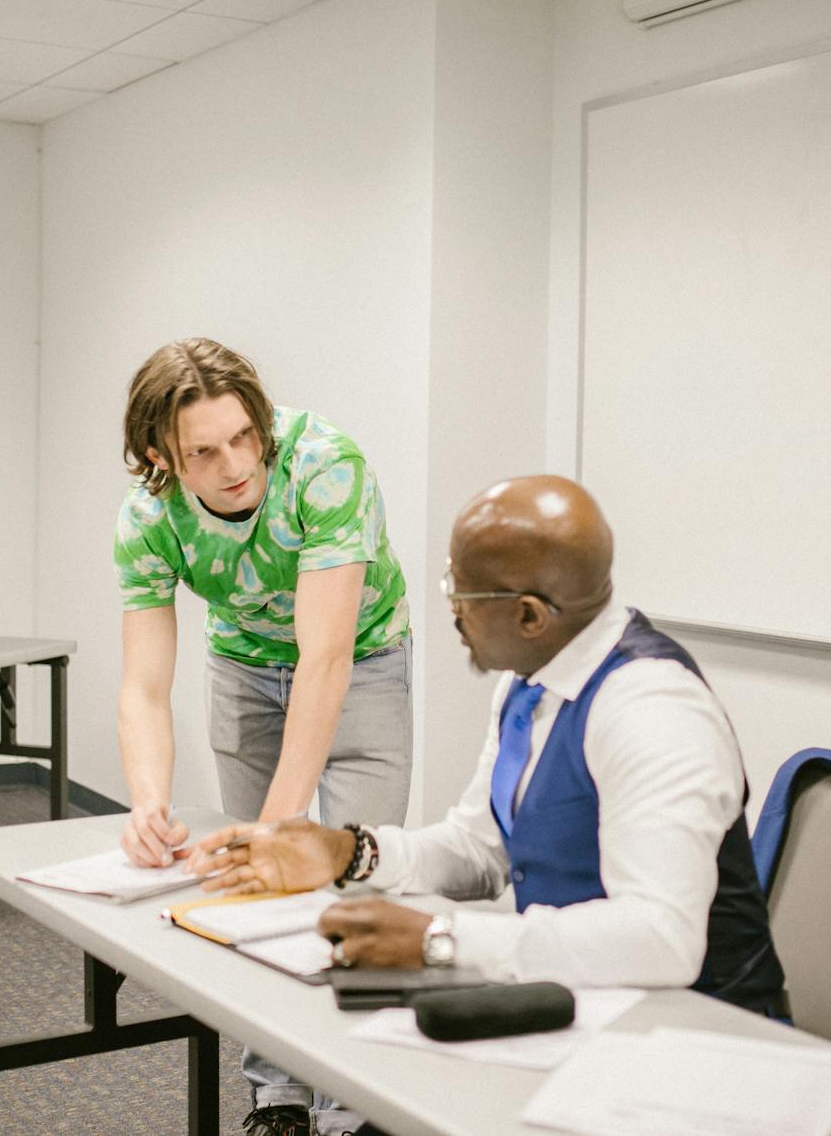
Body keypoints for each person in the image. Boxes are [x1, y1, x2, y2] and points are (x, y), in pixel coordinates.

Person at [192, 475, 786, 1112]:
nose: (449, 609)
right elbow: (479, 848)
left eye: (459, 591)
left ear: (529, 614)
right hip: (576, 1015)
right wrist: (348, 853)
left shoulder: (651, 710)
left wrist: (438, 939)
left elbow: (661, 939)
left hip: (693, 1053)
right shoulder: (530, 684)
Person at [112, 338, 412, 1134]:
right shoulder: (148, 518)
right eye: (204, 452)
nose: (236, 463)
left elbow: (325, 661)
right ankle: (276, 1093)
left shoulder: (325, 465)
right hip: (244, 664)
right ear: (161, 457)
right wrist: (148, 802)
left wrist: (280, 830)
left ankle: (351, 1099)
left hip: (362, 658)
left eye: (245, 436)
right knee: (255, 889)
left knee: (355, 871)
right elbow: (144, 685)